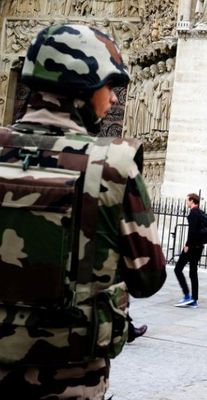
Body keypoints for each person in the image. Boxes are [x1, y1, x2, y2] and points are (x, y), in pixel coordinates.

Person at [0, 24, 166, 398]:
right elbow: (148, 279)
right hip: (70, 376)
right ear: (85, 88)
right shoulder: (113, 166)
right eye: (108, 88)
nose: (111, 101)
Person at [174, 193, 207, 308]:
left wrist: (187, 245)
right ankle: (194, 300)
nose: (186, 203)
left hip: (192, 247)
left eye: (187, 201)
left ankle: (187, 296)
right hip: (199, 247)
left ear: (192, 201)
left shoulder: (194, 213)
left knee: (178, 269)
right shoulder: (200, 212)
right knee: (193, 272)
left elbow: (192, 231)